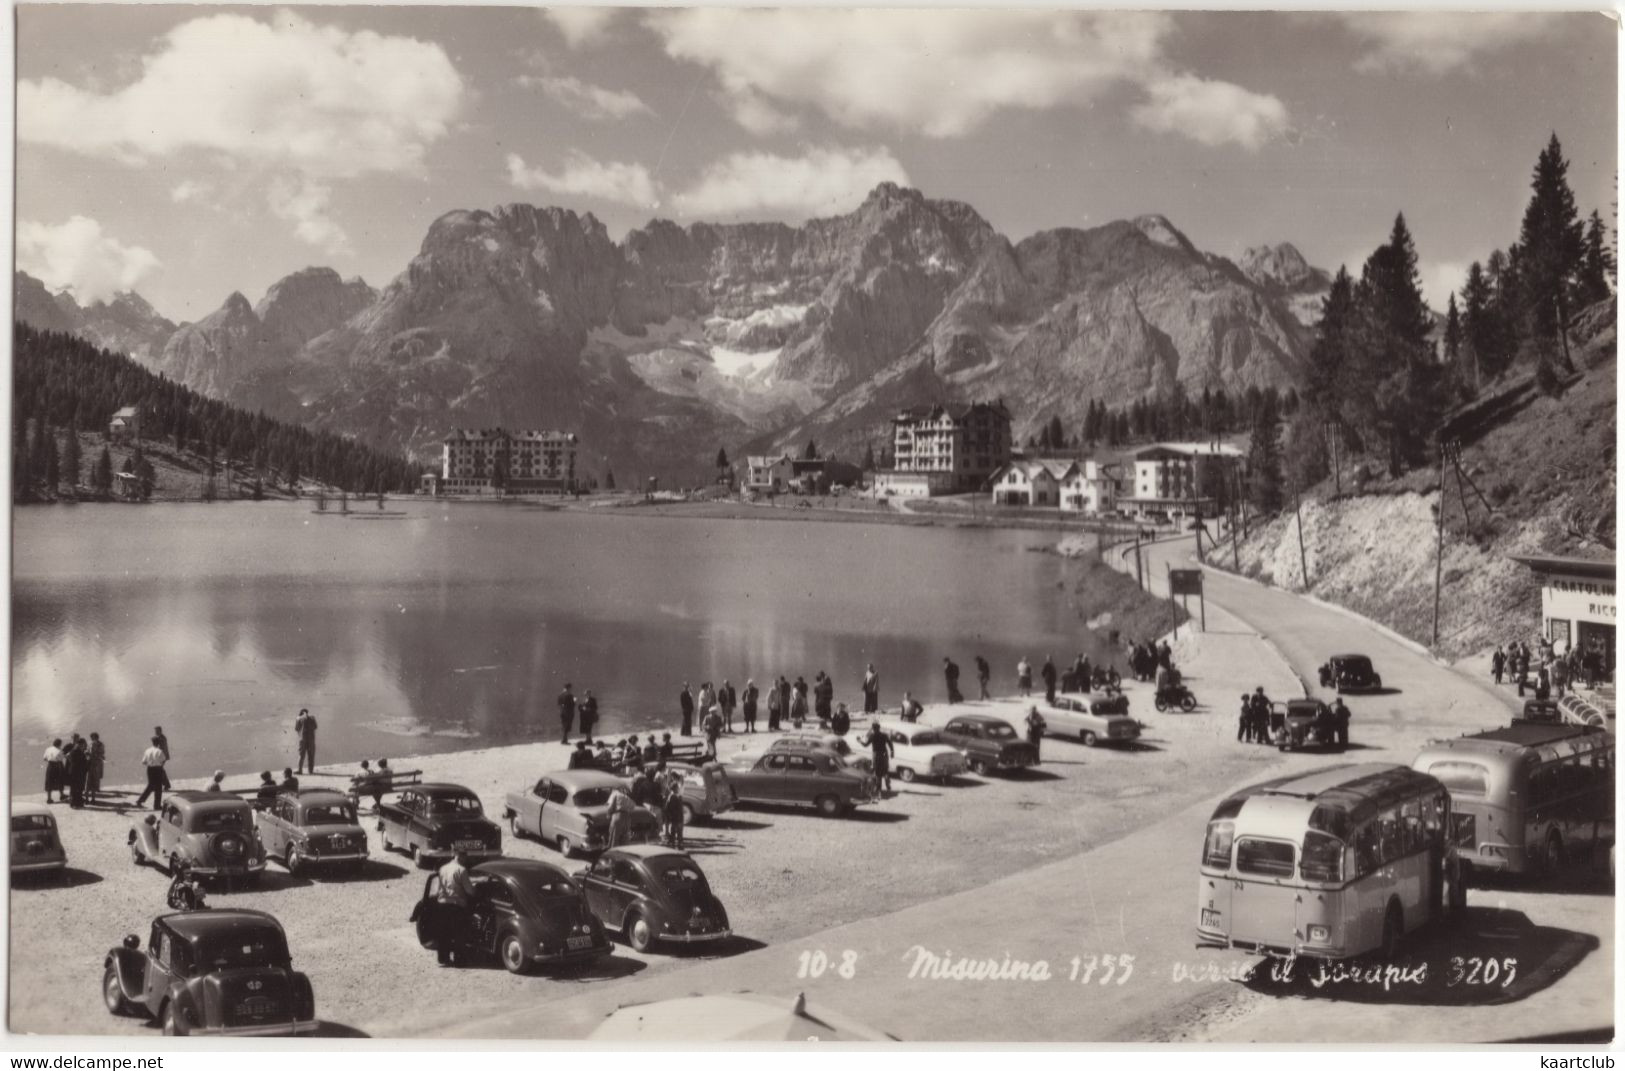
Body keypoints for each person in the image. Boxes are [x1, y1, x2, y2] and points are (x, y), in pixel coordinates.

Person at [435, 850, 476, 965]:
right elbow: (470, 891)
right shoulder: (461, 870)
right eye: (464, 856)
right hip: (456, 905)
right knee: (459, 934)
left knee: (444, 933)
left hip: (442, 904)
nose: (465, 859)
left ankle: (443, 959)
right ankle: (459, 960)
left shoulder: (443, 868)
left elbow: (438, 888)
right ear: (461, 856)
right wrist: (475, 890)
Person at [861, 719, 895, 795]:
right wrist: (892, 752)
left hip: (877, 754)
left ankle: (879, 788)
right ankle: (887, 782)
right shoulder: (884, 735)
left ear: (873, 728)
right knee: (885, 770)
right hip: (884, 754)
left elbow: (865, 745)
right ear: (879, 728)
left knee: (878, 772)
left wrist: (860, 741)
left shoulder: (872, 736)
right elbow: (890, 743)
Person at [136, 736, 169, 810]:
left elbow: (144, 762)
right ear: (158, 743)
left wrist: (150, 763)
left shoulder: (147, 750)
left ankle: (140, 800)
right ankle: (156, 805)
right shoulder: (159, 751)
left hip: (150, 769)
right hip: (158, 769)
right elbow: (163, 760)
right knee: (158, 788)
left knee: (150, 786)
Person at [606, 783, 636, 848]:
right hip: (627, 817)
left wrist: (608, 814)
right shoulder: (626, 797)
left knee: (614, 838)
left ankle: (613, 856)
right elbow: (633, 806)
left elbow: (610, 806)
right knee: (625, 839)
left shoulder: (615, 794)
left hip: (617, 816)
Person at [662, 774, 686, 849]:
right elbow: (678, 808)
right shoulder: (676, 797)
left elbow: (667, 807)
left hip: (673, 817)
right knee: (679, 831)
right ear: (676, 788)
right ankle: (679, 844)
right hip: (678, 816)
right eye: (678, 788)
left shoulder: (670, 796)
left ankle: (672, 844)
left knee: (673, 830)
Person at [66, 739, 89, 808]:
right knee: (75, 788)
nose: (84, 746)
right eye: (84, 744)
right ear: (80, 744)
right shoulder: (76, 751)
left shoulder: (76, 750)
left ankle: (77, 803)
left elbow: (68, 757)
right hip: (76, 772)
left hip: (76, 771)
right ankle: (74, 803)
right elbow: (77, 761)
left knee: (77, 788)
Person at [294, 708, 318, 775]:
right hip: (311, 739)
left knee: (301, 755)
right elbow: (315, 727)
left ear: (301, 712)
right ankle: (310, 770)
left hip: (302, 739)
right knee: (311, 755)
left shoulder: (298, 718)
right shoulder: (312, 717)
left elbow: (296, 728)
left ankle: (300, 770)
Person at [42, 738, 66, 804]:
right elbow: (61, 758)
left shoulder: (48, 749)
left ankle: (49, 798)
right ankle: (62, 795)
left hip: (50, 765)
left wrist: (51, 759)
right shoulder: (59, 750)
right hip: (58, 765)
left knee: (49, 781)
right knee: (60, 780)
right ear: (59, 744)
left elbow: (45, 758)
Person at [87, 733, 106, 803]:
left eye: (92, 737)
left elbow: (102, 752)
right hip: (93, 761)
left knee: (97, 775)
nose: (91, 738)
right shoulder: (90, 743)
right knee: (95, 775)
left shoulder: (100, 744)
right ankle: (94, 788)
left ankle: (96, 788)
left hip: (97, 761)